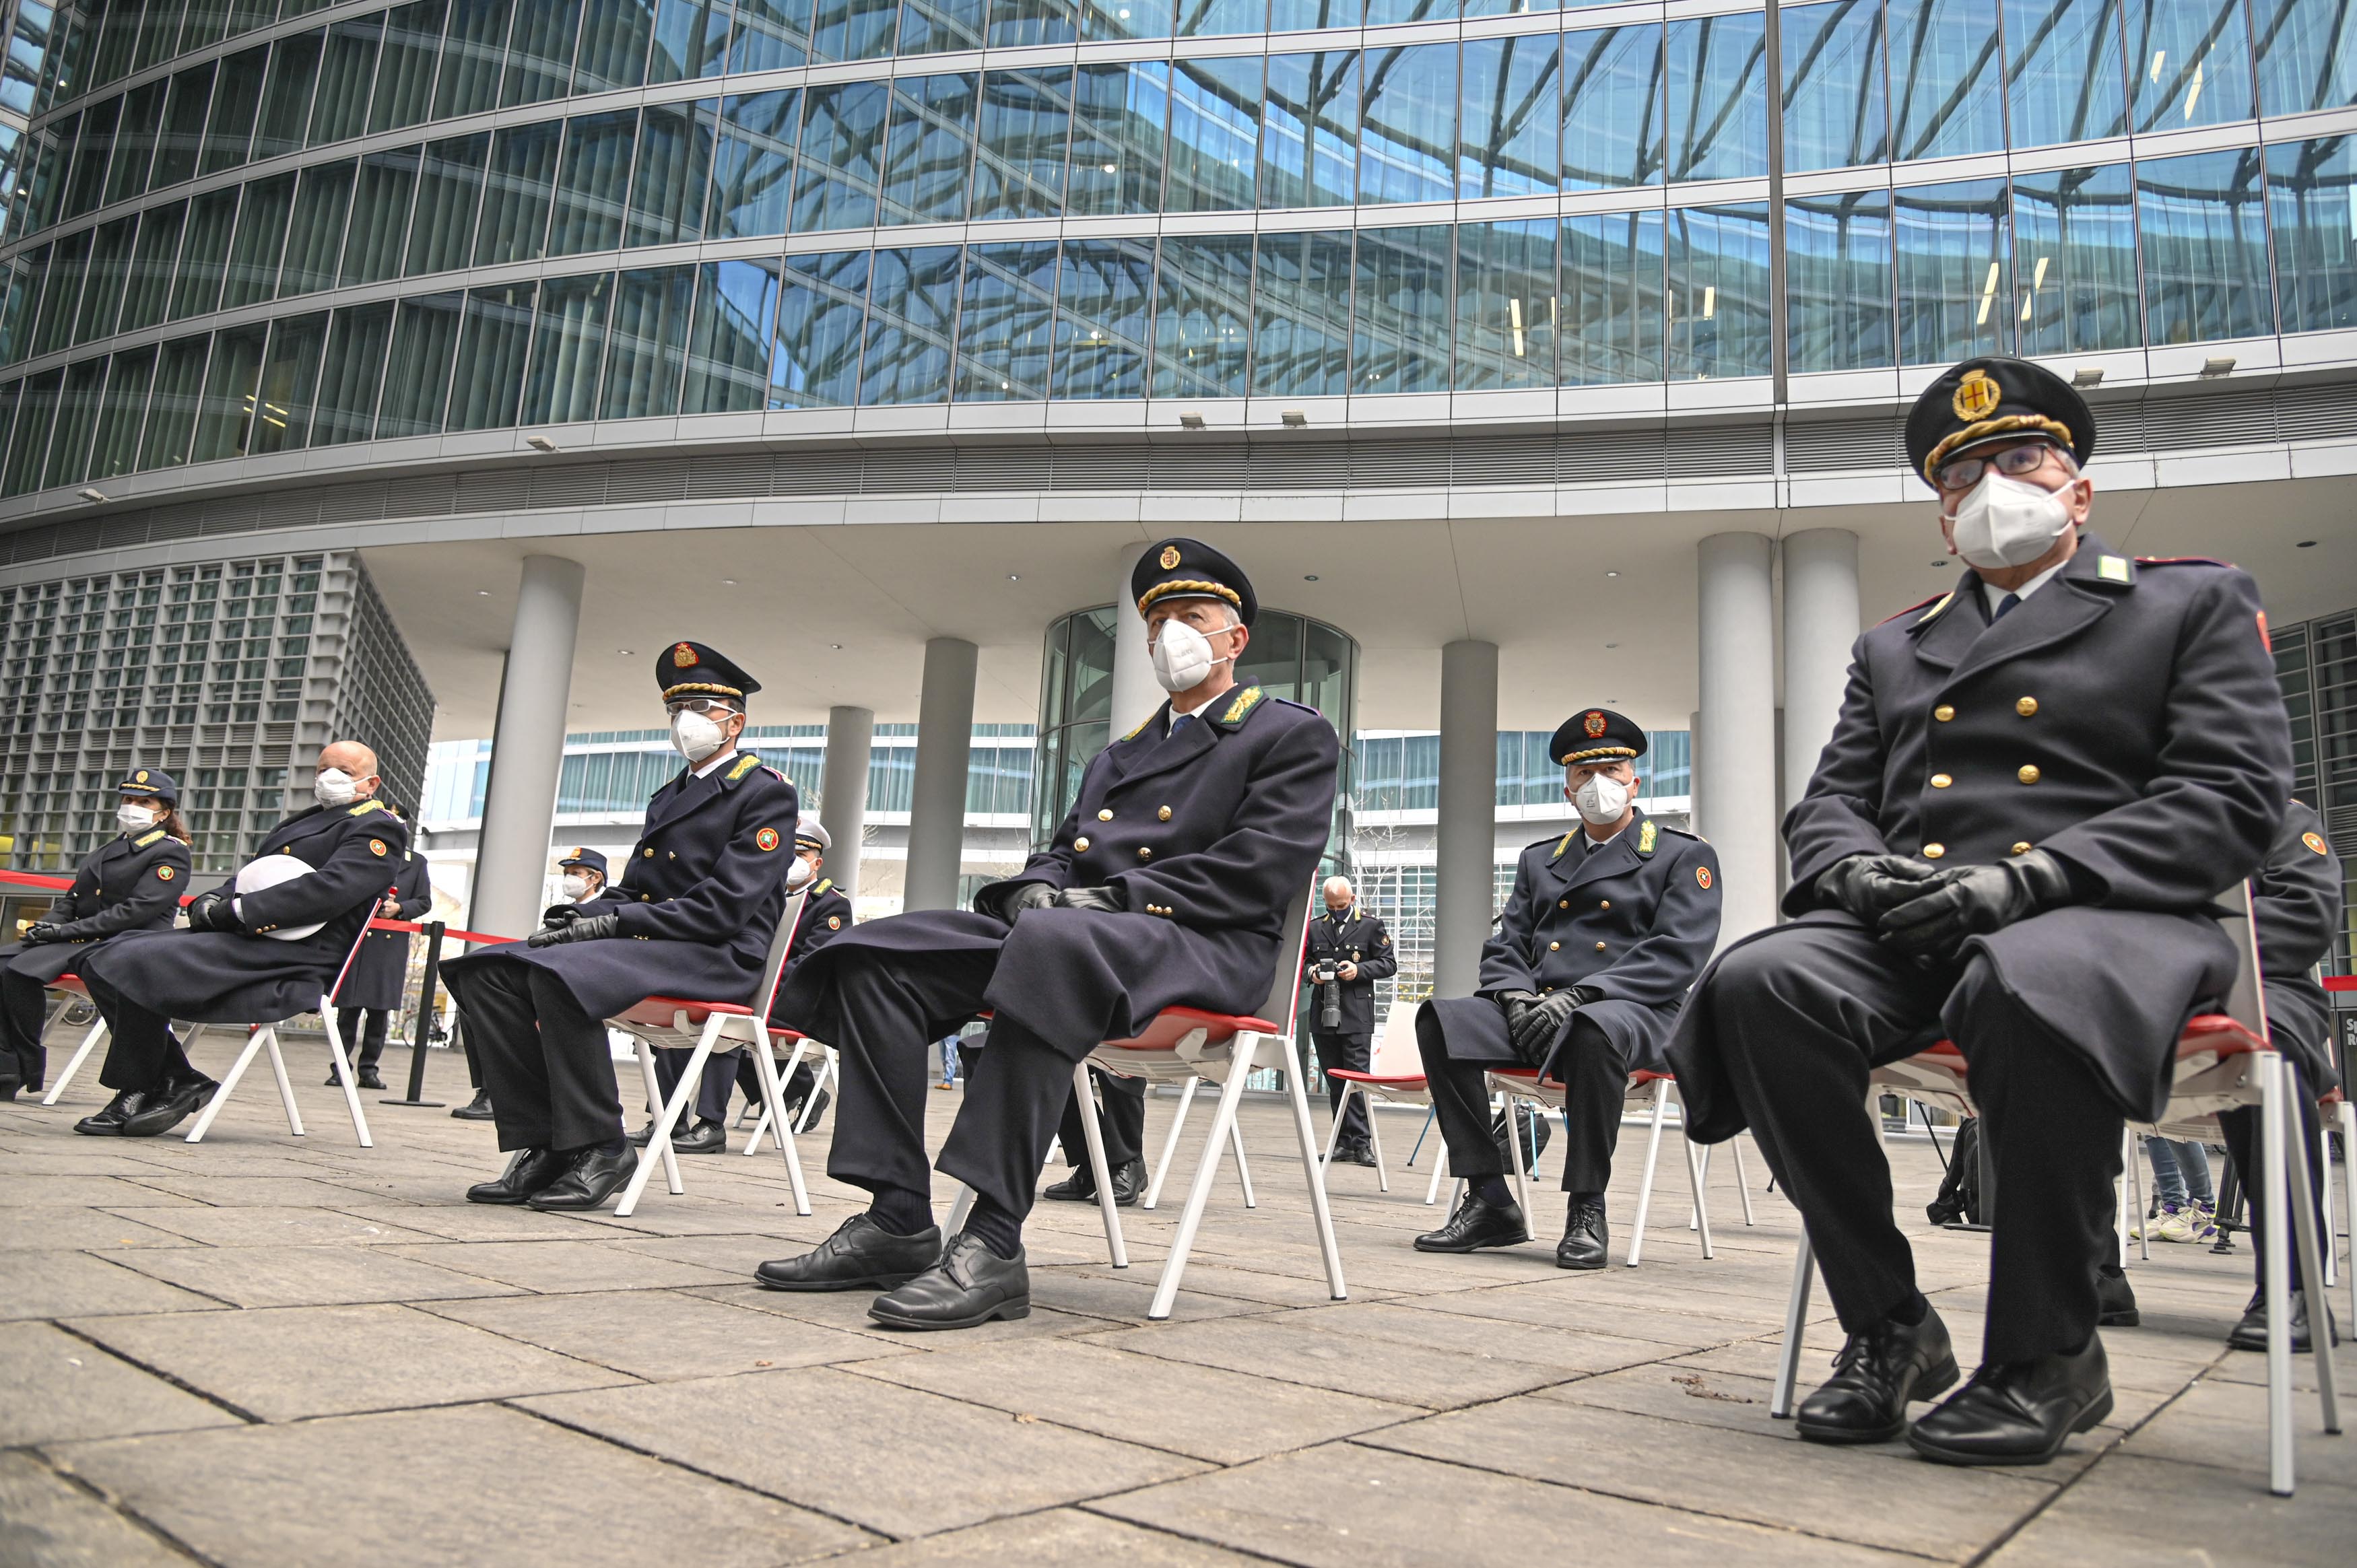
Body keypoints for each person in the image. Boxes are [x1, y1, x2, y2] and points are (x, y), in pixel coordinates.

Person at [1668, 355, 2292, 1467]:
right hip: (1917, 921)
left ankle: (2049, 1353)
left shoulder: (2187, 599)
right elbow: (1829, 804)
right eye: (1962, 475)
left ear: (2078, 489)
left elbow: (2229, 798)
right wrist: (1858, 878)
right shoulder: (1895, 645)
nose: (1992, 485)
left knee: (2026, 975)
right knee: (1762, 982)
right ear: (1943, 511)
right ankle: (1890, 1326)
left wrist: (2035, 878)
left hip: (2110, 915)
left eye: (2020, 458)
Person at [756, 538, 1339, 1330]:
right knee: (874, 955)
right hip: (1084, 936)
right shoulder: (1124, 751)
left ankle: (993, 1240)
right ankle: (896, 1216)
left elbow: (1258, 867)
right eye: (1158, 619)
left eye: (1191, 617)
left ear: (1234, 639)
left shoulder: (1283, 733)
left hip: (1203, 947)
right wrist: (1041, 883)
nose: (1172, 634)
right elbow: (1064, 847)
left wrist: (1104, 900)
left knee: (1051, 948)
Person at [442, 645, 797, 1211]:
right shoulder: (671, 795)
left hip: (718, 954)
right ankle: (547, 1144)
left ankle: (602, 1146)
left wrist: (615, 921)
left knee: (560, 975)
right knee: (486, 971)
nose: (687, 722)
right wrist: (578, 916)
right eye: (677, 709)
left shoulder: (765, 792)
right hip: (657, 945)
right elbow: (634, 889)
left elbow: (723, 908)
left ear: (736, 719)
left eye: (702, 707)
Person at [1413, 710, 1721, 1267]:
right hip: (1538, 1008)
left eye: (1613, 767)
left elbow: (1678, 951)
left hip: (1634, 1012)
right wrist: (1515, 997)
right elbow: (1508, 942)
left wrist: (1580, 996)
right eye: (1585, 773)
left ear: (1636, 780)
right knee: (1442, 1018)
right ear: (1568, 787)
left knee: (1591, 1030)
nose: (1599, 781)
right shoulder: (1541, 860)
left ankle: (1587, 1206)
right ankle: (1489, 1198)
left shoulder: (1682, 854)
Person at [73, 743, 414, 1138]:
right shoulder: (299, 822)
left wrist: (238, 912)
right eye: (323, 768)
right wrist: (215, 898)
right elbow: (253, 876)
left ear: (371, 783)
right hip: (252, 943)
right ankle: (174, 1079)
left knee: (131, 959)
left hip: (296, 956)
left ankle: (141, 1086)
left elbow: (330, 889)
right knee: (104, 957)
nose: (329, 777)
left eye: (343, 770)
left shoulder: (378, 825)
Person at [2218, 799, 2344, 1351]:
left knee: (2264, 1042)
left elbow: (2306, 912)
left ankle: (2294, 1287)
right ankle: (2091, 1275)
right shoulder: (2131, 814)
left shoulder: (2276, 816)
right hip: (2148, 992)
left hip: (2264, 986)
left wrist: (2194, 951)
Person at [0, 769, 192, 1101]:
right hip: (87, 938)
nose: (133, 806)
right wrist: (43, 926)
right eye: (129, 799)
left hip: (127, 942)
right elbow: (73, 899)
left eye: (144, 801)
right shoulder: (107, 850)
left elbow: (135, 912)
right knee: (5, 963)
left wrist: (64, 932)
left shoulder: (169, 852)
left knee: (20, 971)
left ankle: (18, 1067)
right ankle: (9, 1065)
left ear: (164, 812)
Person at [454, 848, 613, 1122]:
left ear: (596, 877)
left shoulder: (609, 905)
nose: (569, 879)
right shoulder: (566, 910)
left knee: (502, 1000)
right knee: (473, 997)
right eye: (566, 874)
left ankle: (509, 1095)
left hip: (576, 982)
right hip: (553, 971)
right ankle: (491, 1092)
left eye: (576, 874)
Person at [327, 801, 432, 1092]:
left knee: (379, 1013)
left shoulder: (417, 862)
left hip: (389, 947)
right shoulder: (363, 852)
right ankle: (340, 1067)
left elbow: (424, 902)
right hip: (358, 941)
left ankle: (368, 1070)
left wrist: (398, 907)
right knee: (348, 1010)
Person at [1304, 875, 1396, 1167]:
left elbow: (1389, 963)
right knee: (1334, 1080)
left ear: (1353, 900)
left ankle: (1362, 1143)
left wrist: (1358, 970)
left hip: (1356, 1014)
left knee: (1357, 1080)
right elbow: (1303, 962)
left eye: (1342, 905)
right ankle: (1342, 1141)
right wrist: (1313, 974)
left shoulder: (1370, 926)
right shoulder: (1316, 927)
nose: (1336, 911)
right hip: (1324, 1011)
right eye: (1331, 907)